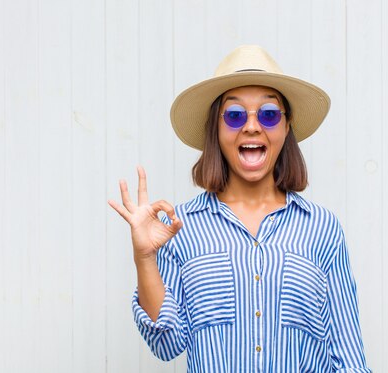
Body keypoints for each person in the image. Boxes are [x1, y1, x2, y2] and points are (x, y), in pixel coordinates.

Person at [108, 45, 371, 373]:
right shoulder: (180, 227)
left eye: (268, 114)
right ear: (216, 132)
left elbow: (348, 358)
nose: (251, 126)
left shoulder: (322, 228)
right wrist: (145, 258)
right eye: (234, 115)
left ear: (286, 127)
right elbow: (166, 344)